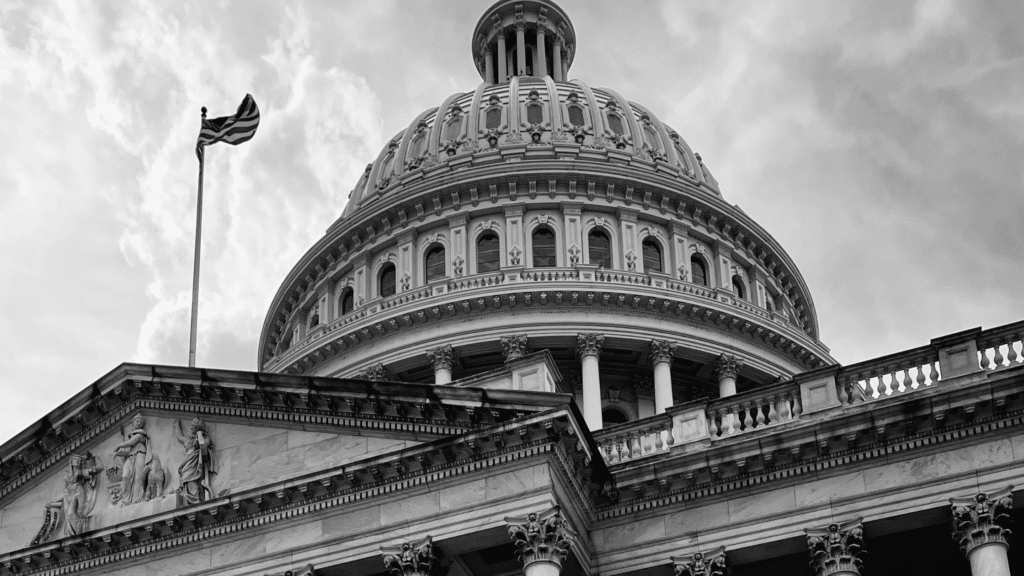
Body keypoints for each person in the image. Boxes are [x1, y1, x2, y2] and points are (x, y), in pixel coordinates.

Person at [113, 414, 151, 506]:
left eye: (141, 422)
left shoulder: (140, 434)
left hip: (140, 456)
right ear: (132, 423)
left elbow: (131, 443)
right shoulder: (132, 436)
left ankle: (137, 500)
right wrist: (118, 453)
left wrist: (118, 446)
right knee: (125, 476)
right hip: (131, 457)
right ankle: (126, 500)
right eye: (137, 421)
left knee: (138, 477)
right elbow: (130, 451)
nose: (139, 424)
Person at [176, 417, 215, 505]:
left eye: (192, 426)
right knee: (186, 479)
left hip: (195, 463)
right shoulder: (189, 440)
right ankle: (191, 499)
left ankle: (195, 499)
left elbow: (203, 445)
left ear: (197, 428)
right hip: (187, 462)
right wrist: (176, 426)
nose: (190, 428)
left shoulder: (206, 438)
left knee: (191, 479)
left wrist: (199, 434)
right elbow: (179, 437)